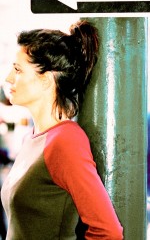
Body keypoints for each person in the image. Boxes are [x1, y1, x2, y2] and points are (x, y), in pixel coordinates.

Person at [1, 20, 123, 239]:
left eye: (18, 70)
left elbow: (108, 231)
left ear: (46, 80)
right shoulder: (32, 138)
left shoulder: (66, 140)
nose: (9, 78)